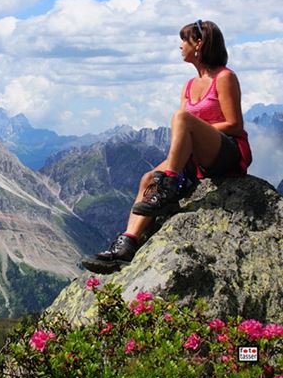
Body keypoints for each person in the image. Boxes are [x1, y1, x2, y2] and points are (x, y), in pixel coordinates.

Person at [81, 20, 252, 274]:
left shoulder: (225, 77)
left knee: (181, 118)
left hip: (228, 151)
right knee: (148, 178)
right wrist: (192, 135)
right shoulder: (189, 85)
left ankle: (170, 185)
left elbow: (235, 125)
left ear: (199, 44)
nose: (180, 46)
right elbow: (187, 129)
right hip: (200, 154)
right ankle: (127, 243)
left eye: (185, 40)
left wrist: (197, 131)